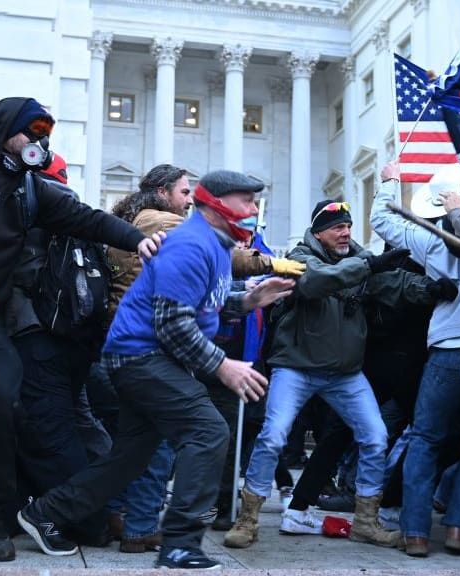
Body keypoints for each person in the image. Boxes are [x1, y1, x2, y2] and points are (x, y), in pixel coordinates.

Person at [18, 169, 294, 569]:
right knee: (208, 430)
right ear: (215, 203)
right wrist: (223, 366)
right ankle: (180, 544)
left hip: (147, 359)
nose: (253, 209)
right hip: (141, 358)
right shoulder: (190, 244)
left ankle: (45, 512)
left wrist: (246, 302)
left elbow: (199, 309)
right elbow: (172, 323)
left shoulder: (215, 247)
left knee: (129, 459)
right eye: (246, 201)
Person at [0, 97, 158, 562]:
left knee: (1, 408)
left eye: (45, 134)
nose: (39, 141)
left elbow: (89, 219)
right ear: (5, 130)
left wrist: (138, 238)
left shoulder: (33, 190)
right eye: (31, 131)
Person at [223, 199, 456, 550]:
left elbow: (392, 283)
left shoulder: (357, 258)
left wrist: (430, 289)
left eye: (348, 226)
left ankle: (365, 521)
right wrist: (368, 265)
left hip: (344, 374)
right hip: (296, 368)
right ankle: (248, 519)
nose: (346, 232)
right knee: (272, 436)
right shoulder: (300, 257)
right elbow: (318, 282)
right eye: (337, 227)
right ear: (319, 232)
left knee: (375, 436)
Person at [371, 160, 460, 557]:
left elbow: (381, 219)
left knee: (427, 437)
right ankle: (459, 529)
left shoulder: (430, 239)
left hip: (448, 347)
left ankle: (414, 533)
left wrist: (390, 181)